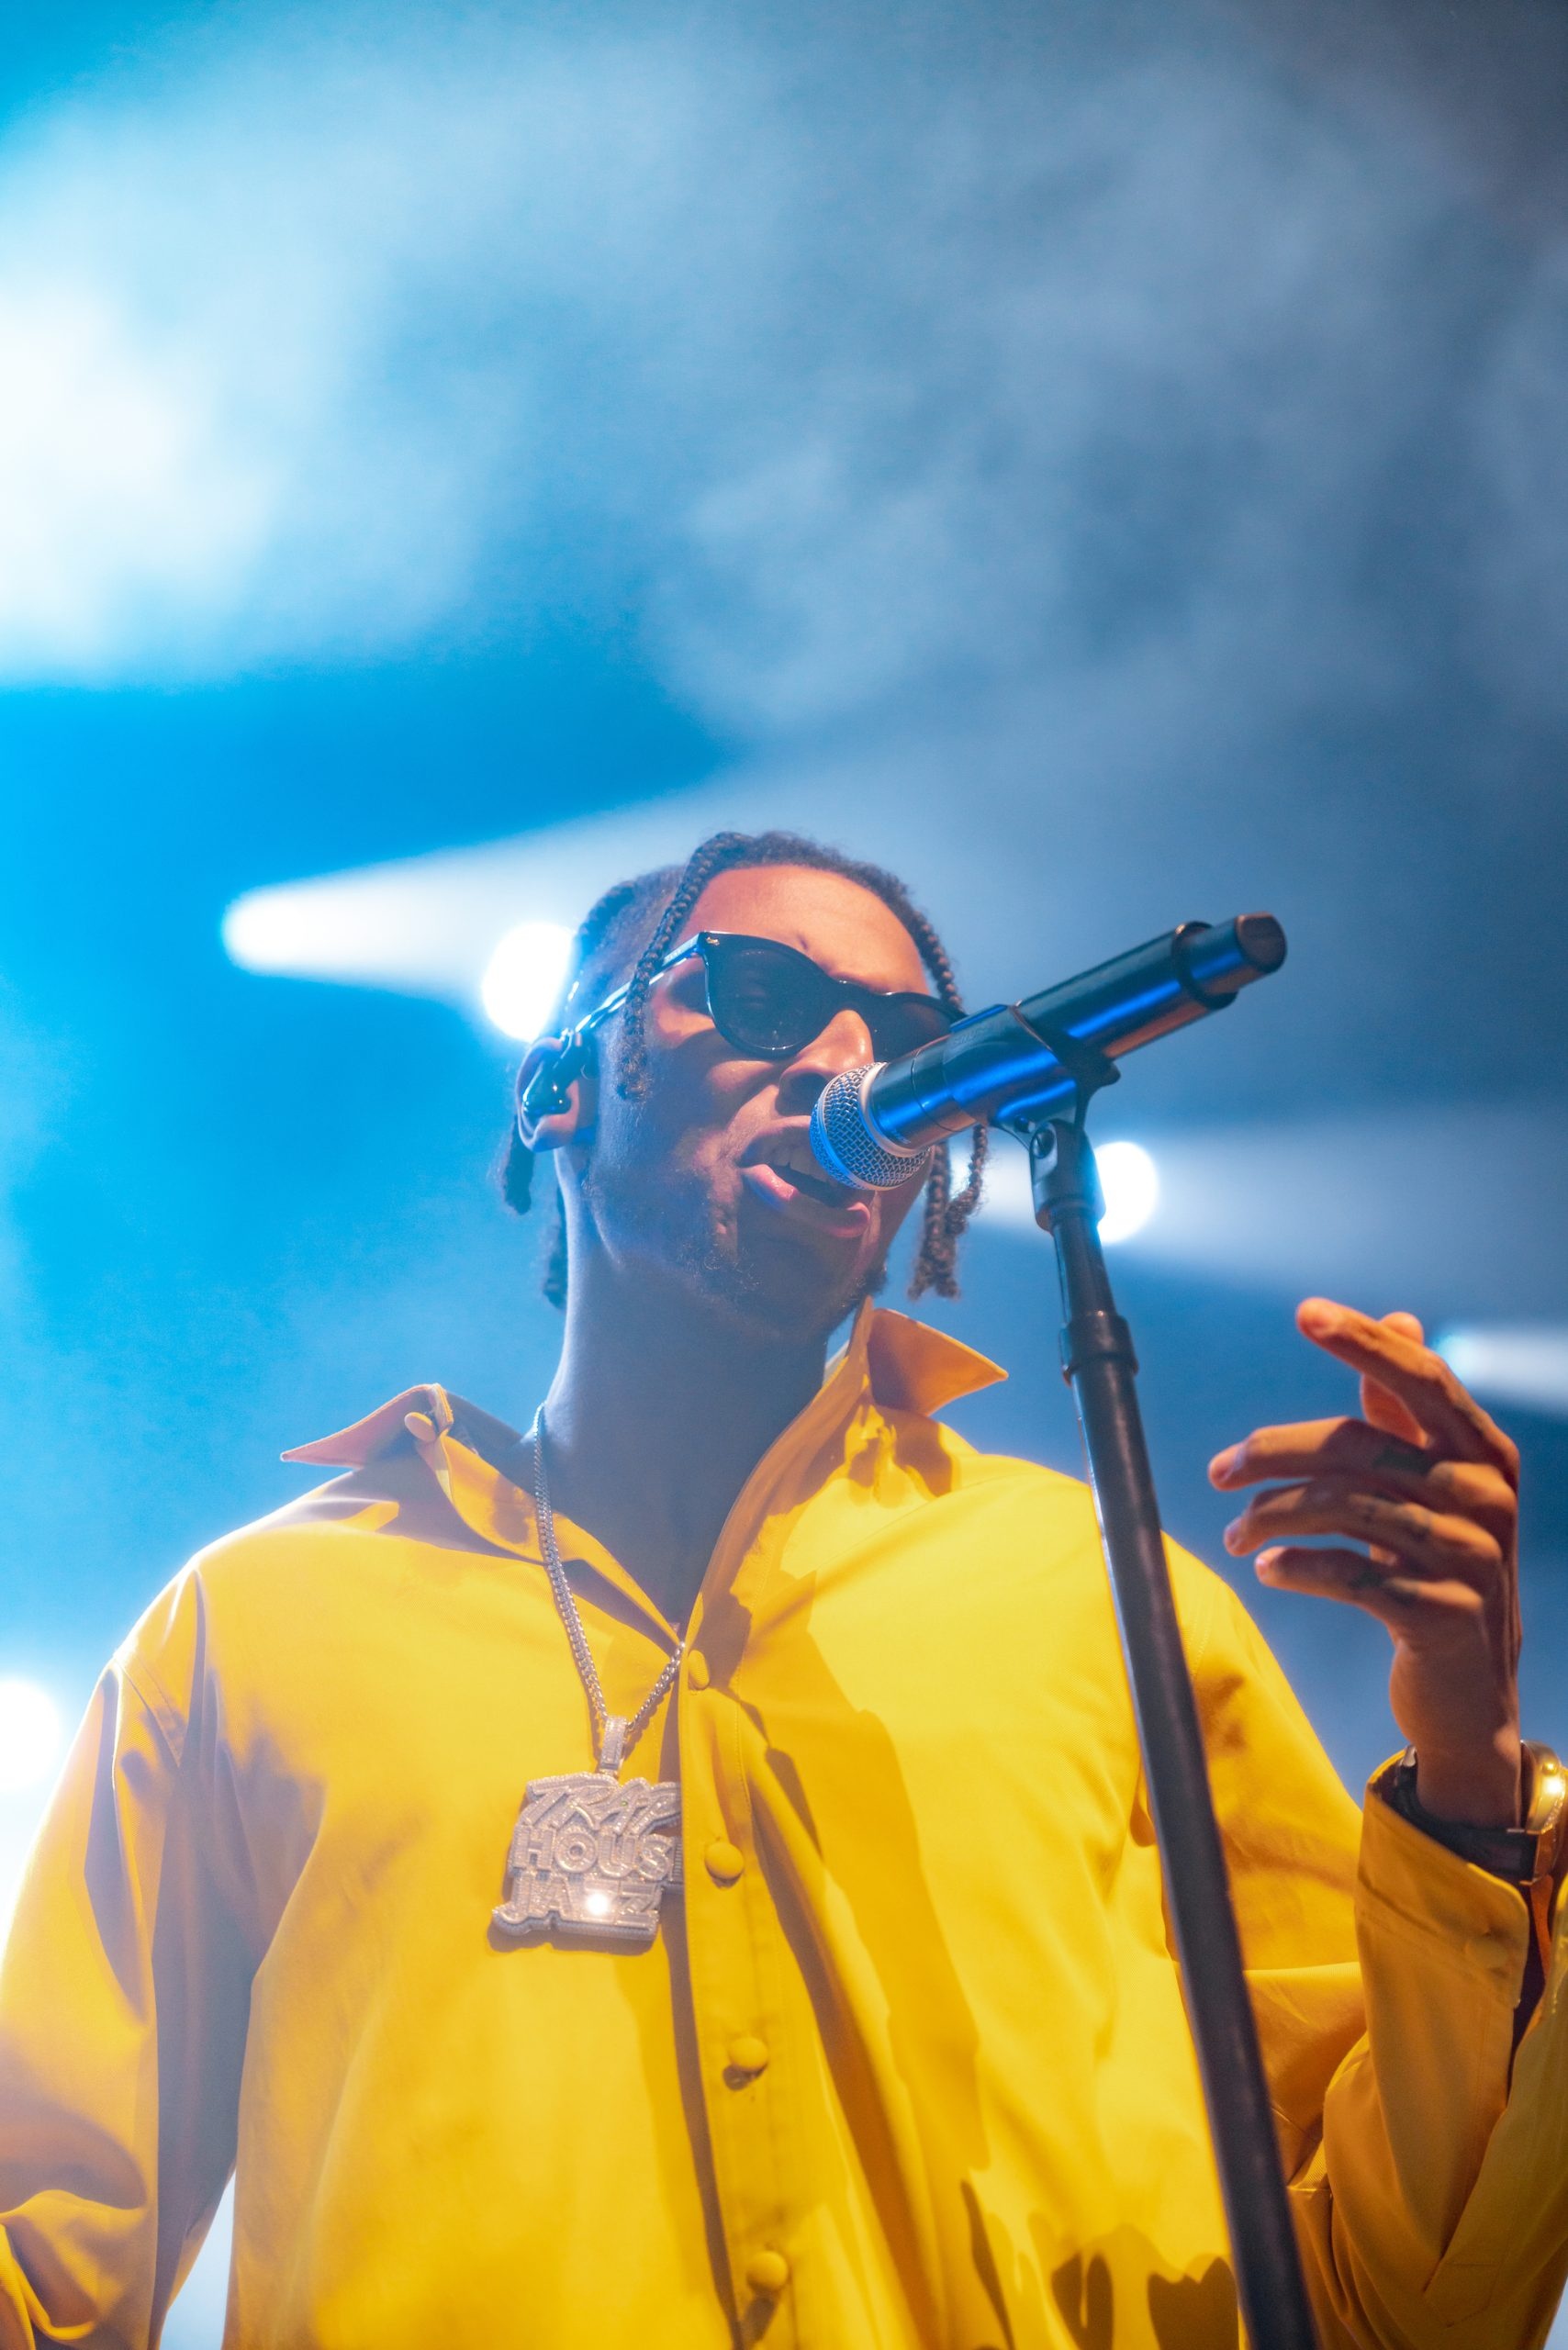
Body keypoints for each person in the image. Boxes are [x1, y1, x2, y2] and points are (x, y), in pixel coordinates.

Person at [1, 827, 1564, 2350]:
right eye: (755, 996)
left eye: (908, 1036)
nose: (842, 1064)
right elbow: (47, 2268)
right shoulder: (256, 1631)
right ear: (559, 1087)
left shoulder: (1109, 1599)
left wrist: (1470, 1780)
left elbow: (1393, 2302)